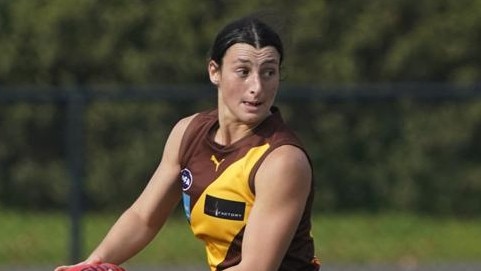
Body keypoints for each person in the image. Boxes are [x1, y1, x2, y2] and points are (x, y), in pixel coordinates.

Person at [55, 14, 320, 271]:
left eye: (269, 72)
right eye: (243, 71)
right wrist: (92, 264)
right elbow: (143, 218)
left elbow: (256, 268)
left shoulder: (282, 162)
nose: (257, 87)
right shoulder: (188, 133)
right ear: (214, 71)